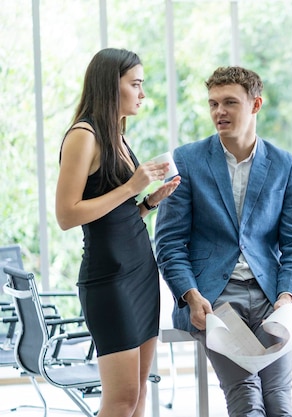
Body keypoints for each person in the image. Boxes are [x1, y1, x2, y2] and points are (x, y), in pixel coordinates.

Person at [155, 66, 292, 416]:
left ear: (255, 104)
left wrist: (288, 297)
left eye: (229, 103)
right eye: (213, 104)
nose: (219, 112)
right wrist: (190, 296)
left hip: (272, 298)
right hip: (214, 301)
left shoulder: (284, 164)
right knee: (246, 400)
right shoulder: (186, 160)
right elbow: (168, 242)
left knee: (280, 402)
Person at [55, 48, 180, 417]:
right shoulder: (84, 136)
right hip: (109, 280)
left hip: (141, 273)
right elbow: (66, 215)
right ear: (112, 86)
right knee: (121, 400)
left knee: (139, 394)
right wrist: (130, 188)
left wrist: (148, 203)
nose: (142, 94)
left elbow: (115, 216)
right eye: (135, 85)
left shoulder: (118, 135)